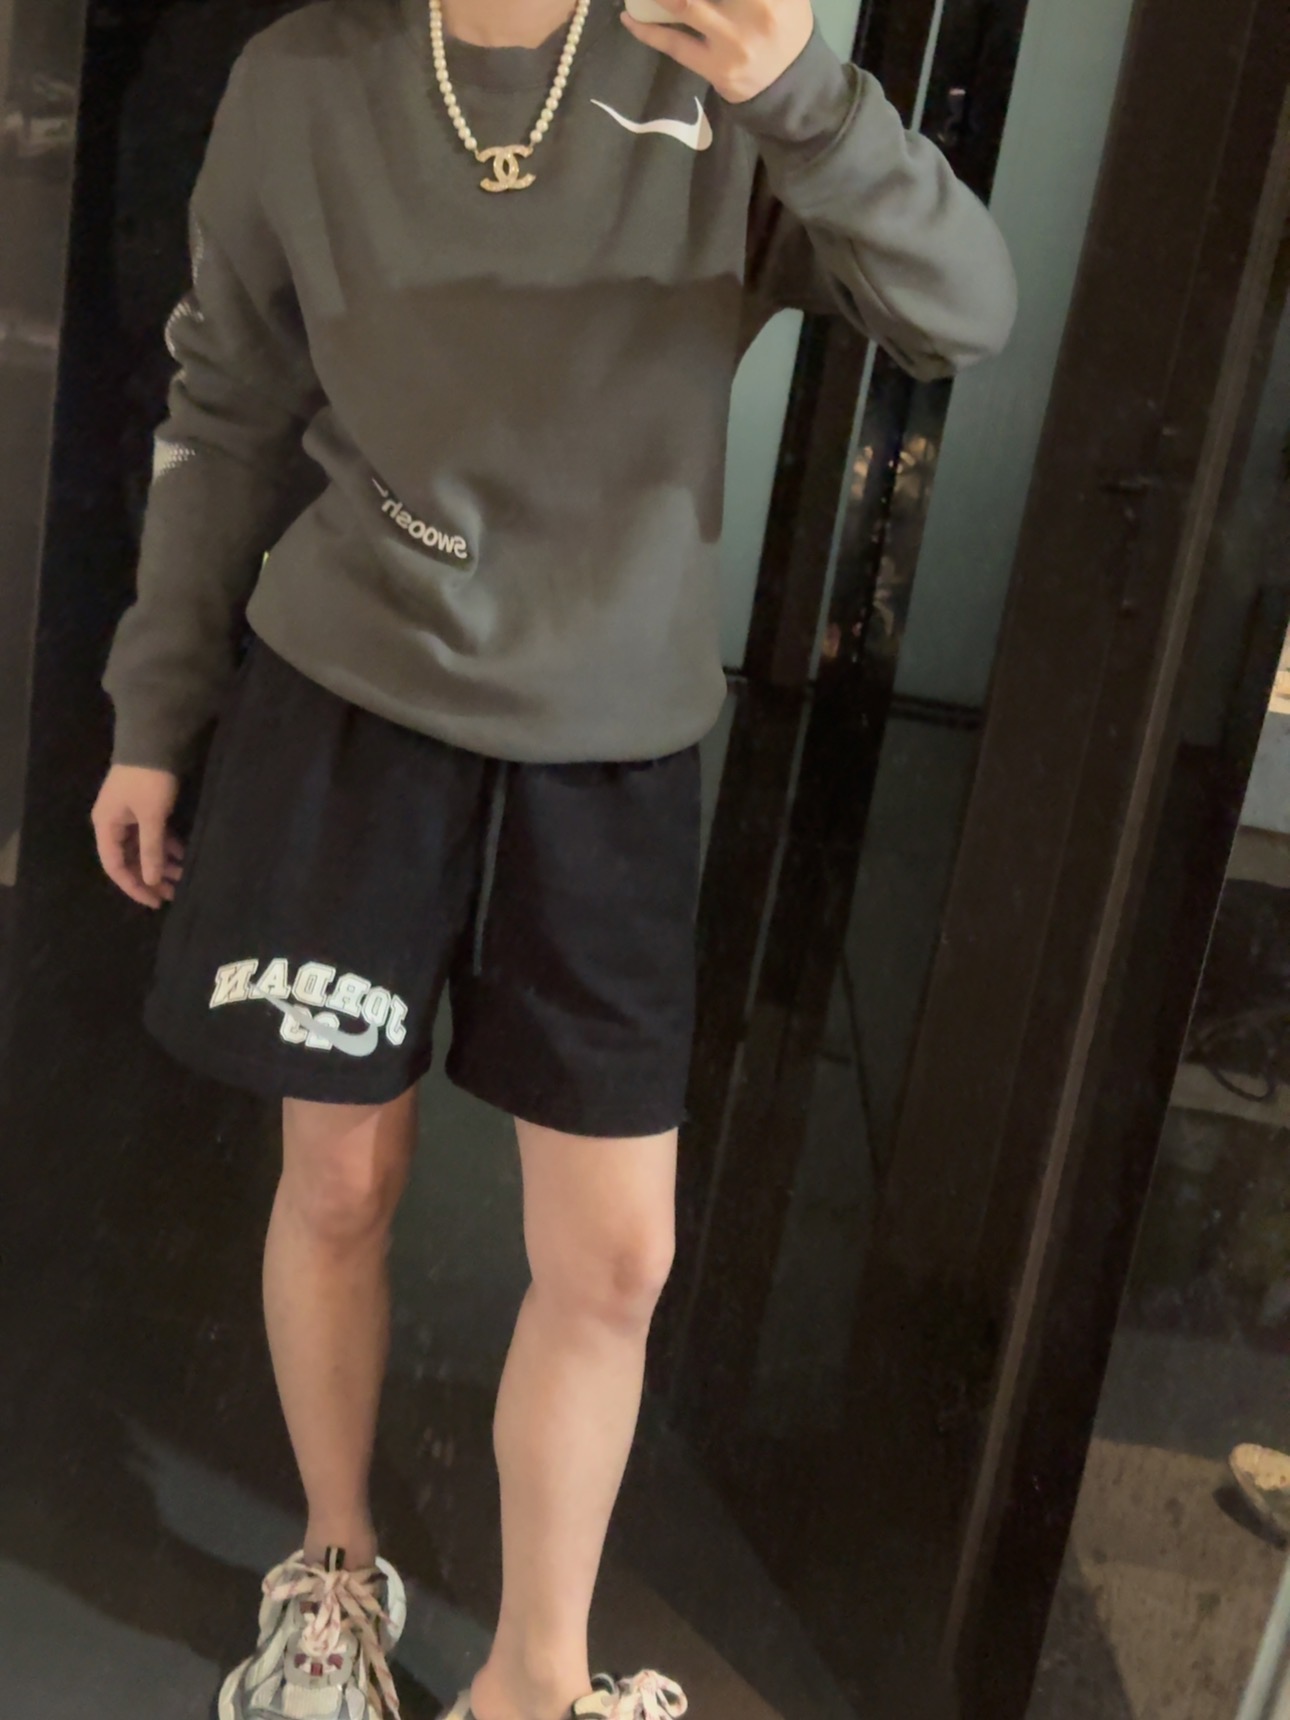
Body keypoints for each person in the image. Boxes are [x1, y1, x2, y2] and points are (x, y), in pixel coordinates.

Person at [90, 0, 1017, 1712]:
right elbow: (224, 408)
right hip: (349, 709)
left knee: (613, 1260)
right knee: (337, 1183)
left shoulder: (725, 66)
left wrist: (805, 98)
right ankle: (334, 1571)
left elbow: (962, 310)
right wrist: (156, 708)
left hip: (609, 743)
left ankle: (535, 1679)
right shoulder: (304, 78)